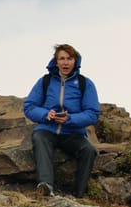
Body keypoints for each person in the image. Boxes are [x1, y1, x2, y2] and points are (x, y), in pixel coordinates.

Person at [23, 44, 100, 197]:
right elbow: (29, 106)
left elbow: (92, 113)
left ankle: (79, 194)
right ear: (56, 62)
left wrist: (70, 119)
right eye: (62, 59)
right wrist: (46, 114)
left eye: (69, 59)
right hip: (47, 130)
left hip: (73, 133)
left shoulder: (85, 83)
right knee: (39, 138)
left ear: (75, 61)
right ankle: (45, 186)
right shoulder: (45, 81)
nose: (65, 62)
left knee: (89, 150)